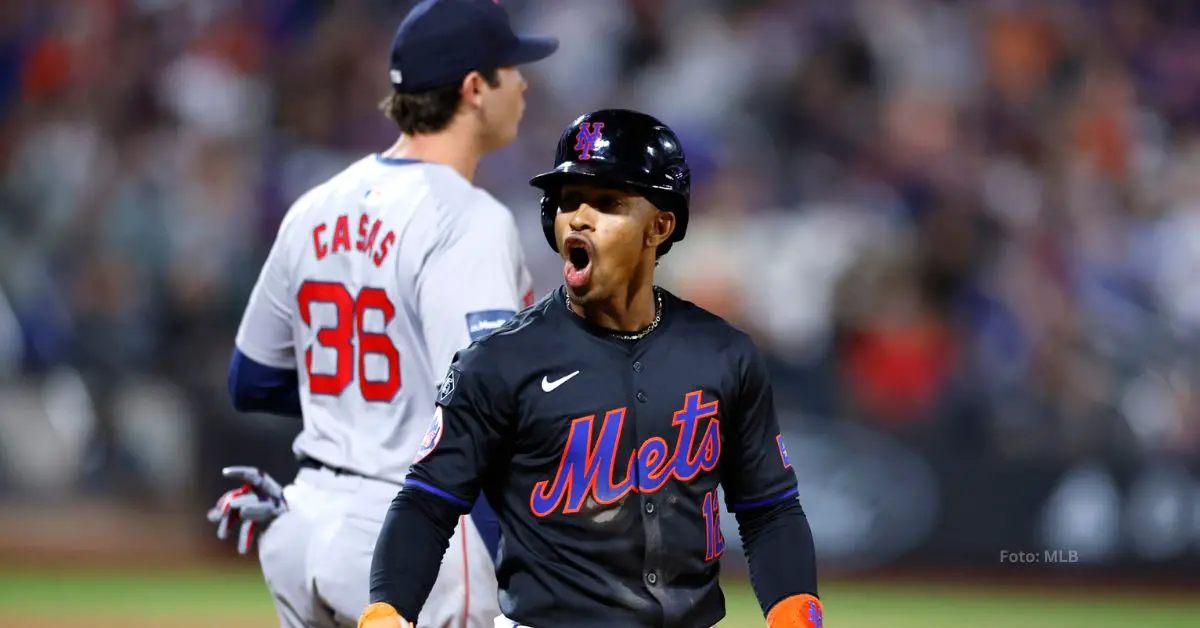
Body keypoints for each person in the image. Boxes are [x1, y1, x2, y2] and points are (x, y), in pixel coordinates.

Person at [360, 109, 822, 628]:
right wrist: (388, 610)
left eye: (607, 202)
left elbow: (769, 509)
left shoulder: (723, 355)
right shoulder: (499, 363)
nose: (578, 217)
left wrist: (794, 611)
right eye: (566, 201)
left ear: (661, 226)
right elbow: (425, 504)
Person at [206, 1, 558, 626]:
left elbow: (252, 379)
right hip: (414, 540)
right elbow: (488, 419)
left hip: (303, 520)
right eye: (510, 68)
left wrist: (368, 414)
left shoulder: (313, 205)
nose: (524, 82)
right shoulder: (468, 220)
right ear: (475, 88)